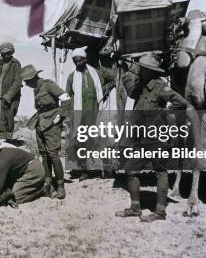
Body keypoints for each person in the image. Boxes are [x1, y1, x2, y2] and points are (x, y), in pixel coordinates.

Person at [115, 54, 189, 222]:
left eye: (142, 69)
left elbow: (181, 102)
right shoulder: (142, 86)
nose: (140, 71)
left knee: (160, 172)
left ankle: (160, 212)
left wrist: (163, 115)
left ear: (149, 71)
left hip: (156, 138)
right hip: (142, 139)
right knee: (131, 170)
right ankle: (135, 208)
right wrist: (131, 70)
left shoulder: (160, 87)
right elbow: (130, 90)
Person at [21, 64, 71, 199]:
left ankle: (60, 186)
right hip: (40, 122)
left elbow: (66, 98)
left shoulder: (48, 84)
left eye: (26, 81)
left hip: (52, 122)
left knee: (53, 154)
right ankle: (47, 183)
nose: (26, 84)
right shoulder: (35, 89)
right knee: (44, 154)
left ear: (32, 78)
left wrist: (60, 116)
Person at [65, 47, 106, 181]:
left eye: (80, 61)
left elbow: (102, 89)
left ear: (85, 59)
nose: (78, 63)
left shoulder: (95, 74)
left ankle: (101, 169)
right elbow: (68, 96)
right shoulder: (71, 77)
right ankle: (84, 171)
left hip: (94, 112)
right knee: (80, 141)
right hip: (79, 114)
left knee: (96, 140)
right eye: (75, 61)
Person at [0, 138, 46, 204]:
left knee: (14, 198)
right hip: (24, 170)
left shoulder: (4, 159)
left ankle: (42, 190)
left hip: (34, 170)